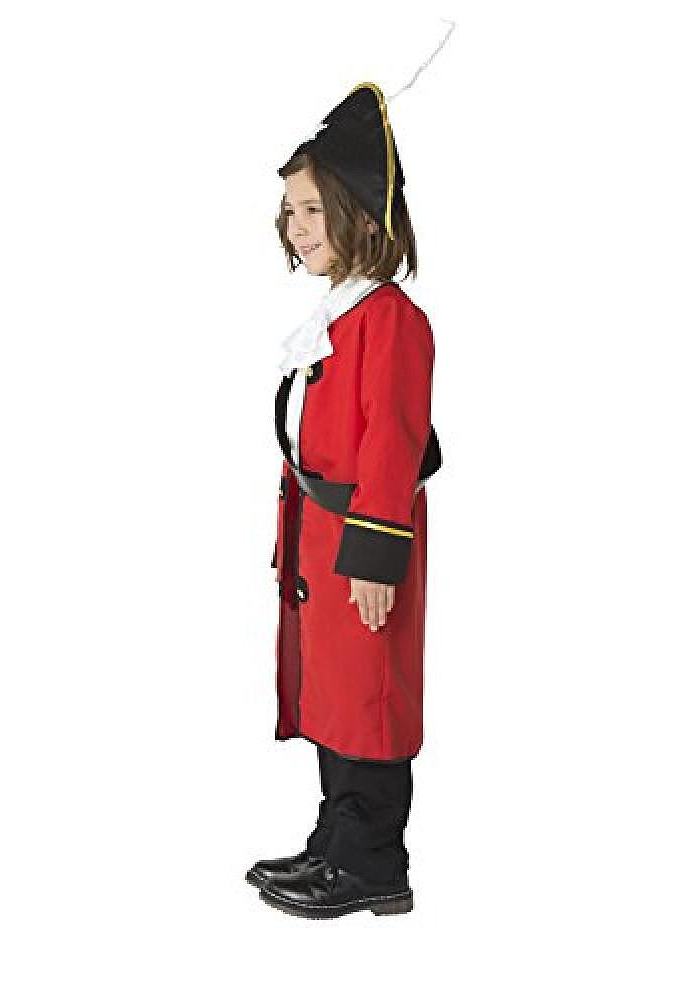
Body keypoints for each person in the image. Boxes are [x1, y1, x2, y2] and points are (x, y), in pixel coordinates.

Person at [246, 82, 442, 919]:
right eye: (290, 212)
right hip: (322, 541)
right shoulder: (340, 312)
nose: (297, 228)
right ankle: (335, 842)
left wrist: (373, 556)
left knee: (369, 701)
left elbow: (390, 442)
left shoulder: (389, 319)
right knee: (334, 696)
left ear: (360, 212)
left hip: (362, 545)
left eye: (313, 210)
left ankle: (372, 865)